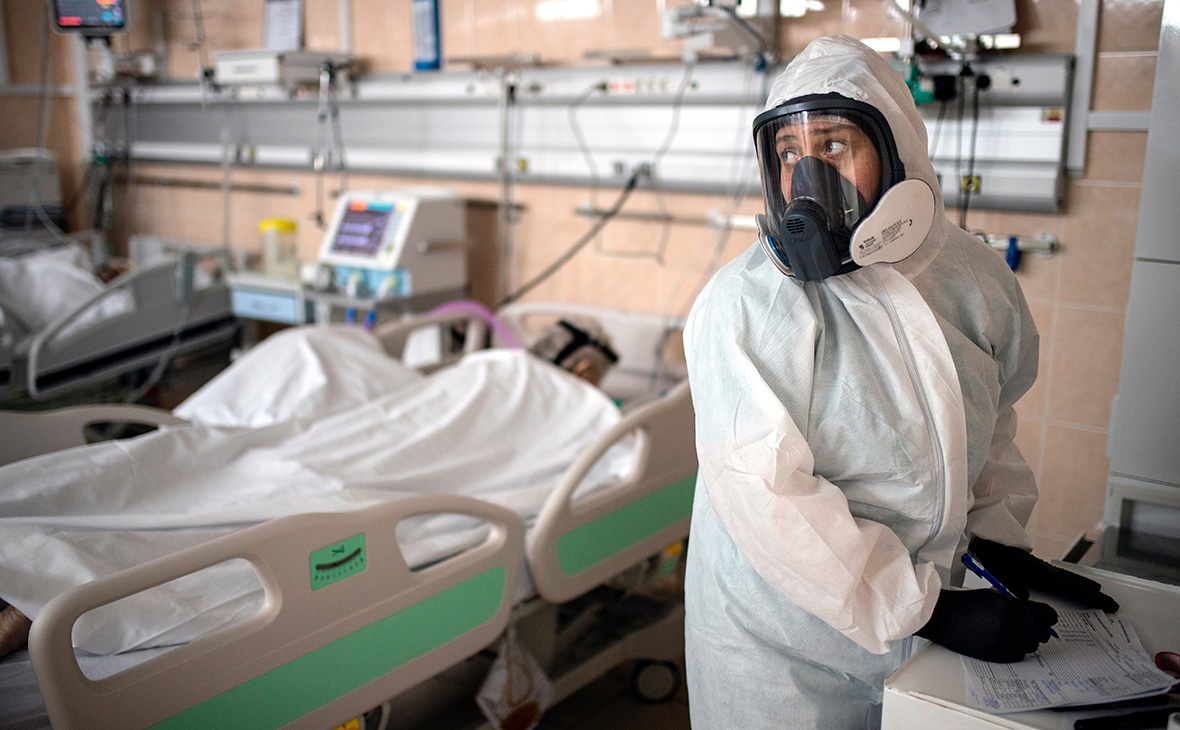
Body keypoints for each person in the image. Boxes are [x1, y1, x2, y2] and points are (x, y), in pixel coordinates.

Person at [682, 36, 1117, 729]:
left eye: (832, 146)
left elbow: (989, 431)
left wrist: (998, 546)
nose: (806, 178)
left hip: (933, 622)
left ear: (897, 149)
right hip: (786, 655)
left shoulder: (973, 279)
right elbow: (767, 495)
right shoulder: (748, 305)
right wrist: (927, 610)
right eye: (789, 154)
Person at [0, 317, 622, 659]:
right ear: (580, 365)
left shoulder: (532, 386)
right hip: (365, 451)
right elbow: (417, 414)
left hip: (414, 455)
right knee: (254, 489)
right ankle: (49, 579)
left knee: (254, 505)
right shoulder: (512, 377)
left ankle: (46, 579)